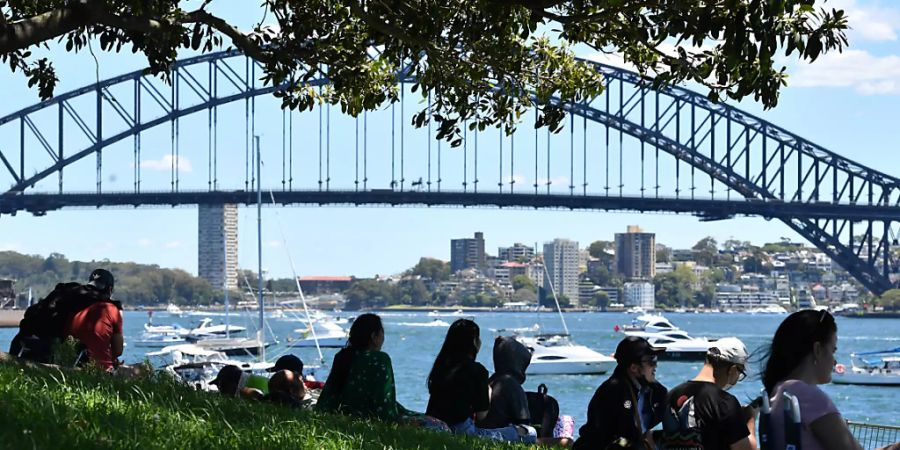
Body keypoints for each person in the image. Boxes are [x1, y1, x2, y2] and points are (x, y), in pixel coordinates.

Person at [762, 310, 863, 450]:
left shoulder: (781, 391)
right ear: (818, 350)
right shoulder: (808, 396)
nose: (835, 361)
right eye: (833, 351)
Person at [427, 319, 533, 442]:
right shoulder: (478, 371)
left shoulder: (441, 366)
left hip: (431, 426)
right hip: (460, 431)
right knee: (528, 433)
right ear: (473, 341)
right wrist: (488, 391)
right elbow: (481, 416)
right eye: (478, 338)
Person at [660, 337, 756, 450]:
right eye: (739, 374)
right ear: (733, 370)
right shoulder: (724, 402)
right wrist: (750, 418)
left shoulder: (671, 395)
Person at [574, 336, 667, 450]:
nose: (655, 366)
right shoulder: (612, 391)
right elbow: (605, 436)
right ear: (633, 367)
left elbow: (643, 427)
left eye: (655, 360)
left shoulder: (655, 391)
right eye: (651, 361)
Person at [477, 335, 570, 446]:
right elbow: (524, 425)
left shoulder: (492, 381)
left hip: (487, 433)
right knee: (568, 442)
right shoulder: (511, 384)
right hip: (504, 437)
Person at [64, 269, 123, 371]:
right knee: (144, 368)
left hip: (74, 365)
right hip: (101, 369)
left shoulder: (74, 309)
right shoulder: (111, 309)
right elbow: (118, 350)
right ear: (110, 290)